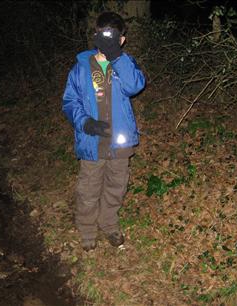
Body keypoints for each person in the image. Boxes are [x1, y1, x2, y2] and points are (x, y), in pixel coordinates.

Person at [62, 12, 145, 251]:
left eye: (114, 36)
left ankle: (109, 223)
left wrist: (116, 57)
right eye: (103, 34)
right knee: (89, 188)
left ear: (122, 40)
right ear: (95, 35)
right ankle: (87, 229)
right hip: (92, 141)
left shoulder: (125, 64)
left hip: (119, 143)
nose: (109, 40)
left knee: (116, 186)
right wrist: (85, 122)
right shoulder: (81, 68)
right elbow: (70, 101)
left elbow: (135, 86)